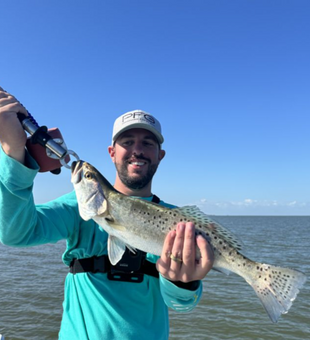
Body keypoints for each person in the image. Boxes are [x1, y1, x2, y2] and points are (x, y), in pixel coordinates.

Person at [0, 87, 214, 340]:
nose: (137, 150)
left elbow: (181, 304)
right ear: (112, 152)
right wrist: (13, 153)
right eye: (127, 142)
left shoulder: (177, 222)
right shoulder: (77, 207)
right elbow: (16, 234)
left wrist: (183, 282)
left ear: (160, 155)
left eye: (147, 143)